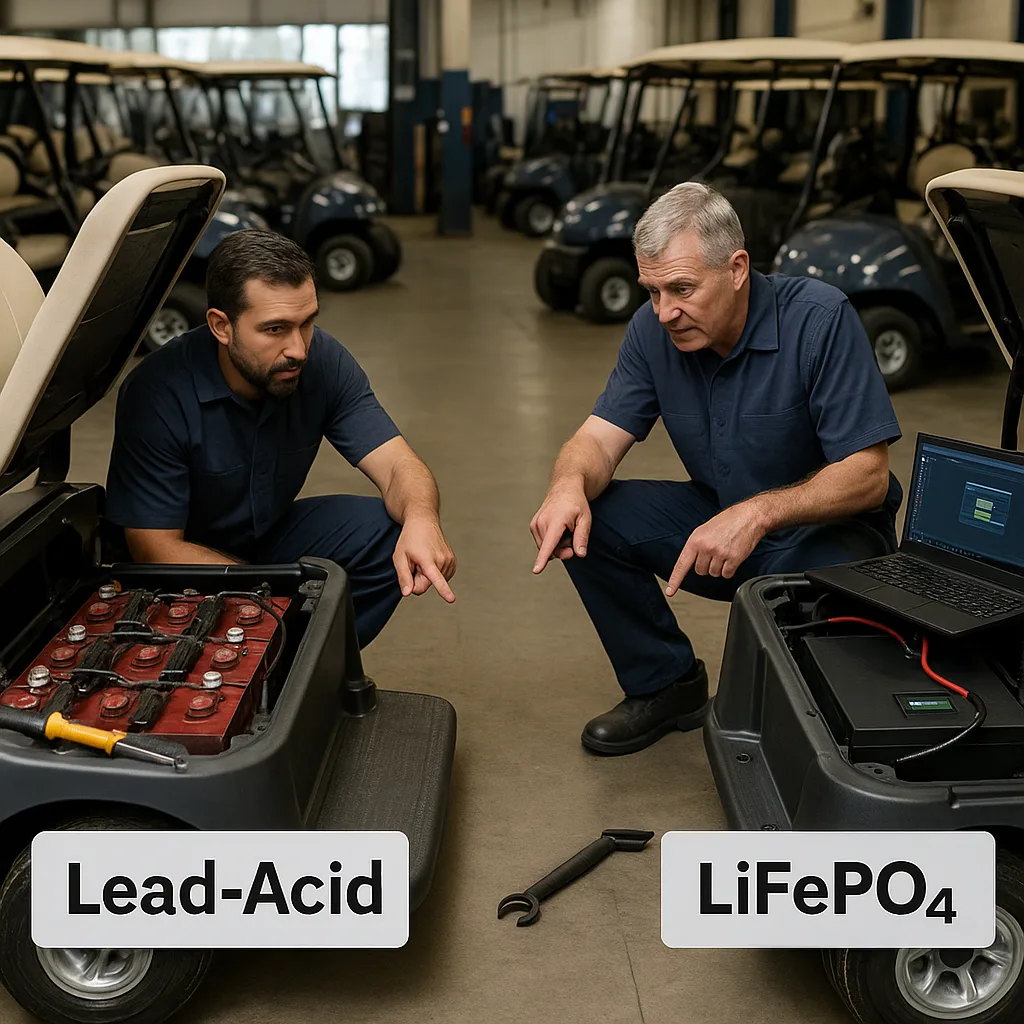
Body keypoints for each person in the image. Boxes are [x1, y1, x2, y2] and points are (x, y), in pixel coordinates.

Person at [530, 182, 903, 756]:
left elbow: (867, 474)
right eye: (651, 291)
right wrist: (566, 486)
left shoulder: (820, 319)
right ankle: (666, 684)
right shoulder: (653, 331)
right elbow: (598, 442)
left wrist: (757, 514)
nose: (665, 311)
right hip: (716, 521)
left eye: (681, 289)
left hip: (824, 539)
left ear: (737, 269)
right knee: (588, 519)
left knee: (796, 722)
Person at [106, 229, 456, 649]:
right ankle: (277, 656)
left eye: (307, 322)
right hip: (179, 570)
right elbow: (154, 547)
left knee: (389, 530)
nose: (298, 349)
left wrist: (423, 519)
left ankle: (301, 667)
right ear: (221, 326)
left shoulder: (321, 360)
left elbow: (399, 464)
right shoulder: (158, 392)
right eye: (274, 329)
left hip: (263, 543)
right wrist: (265, 595)